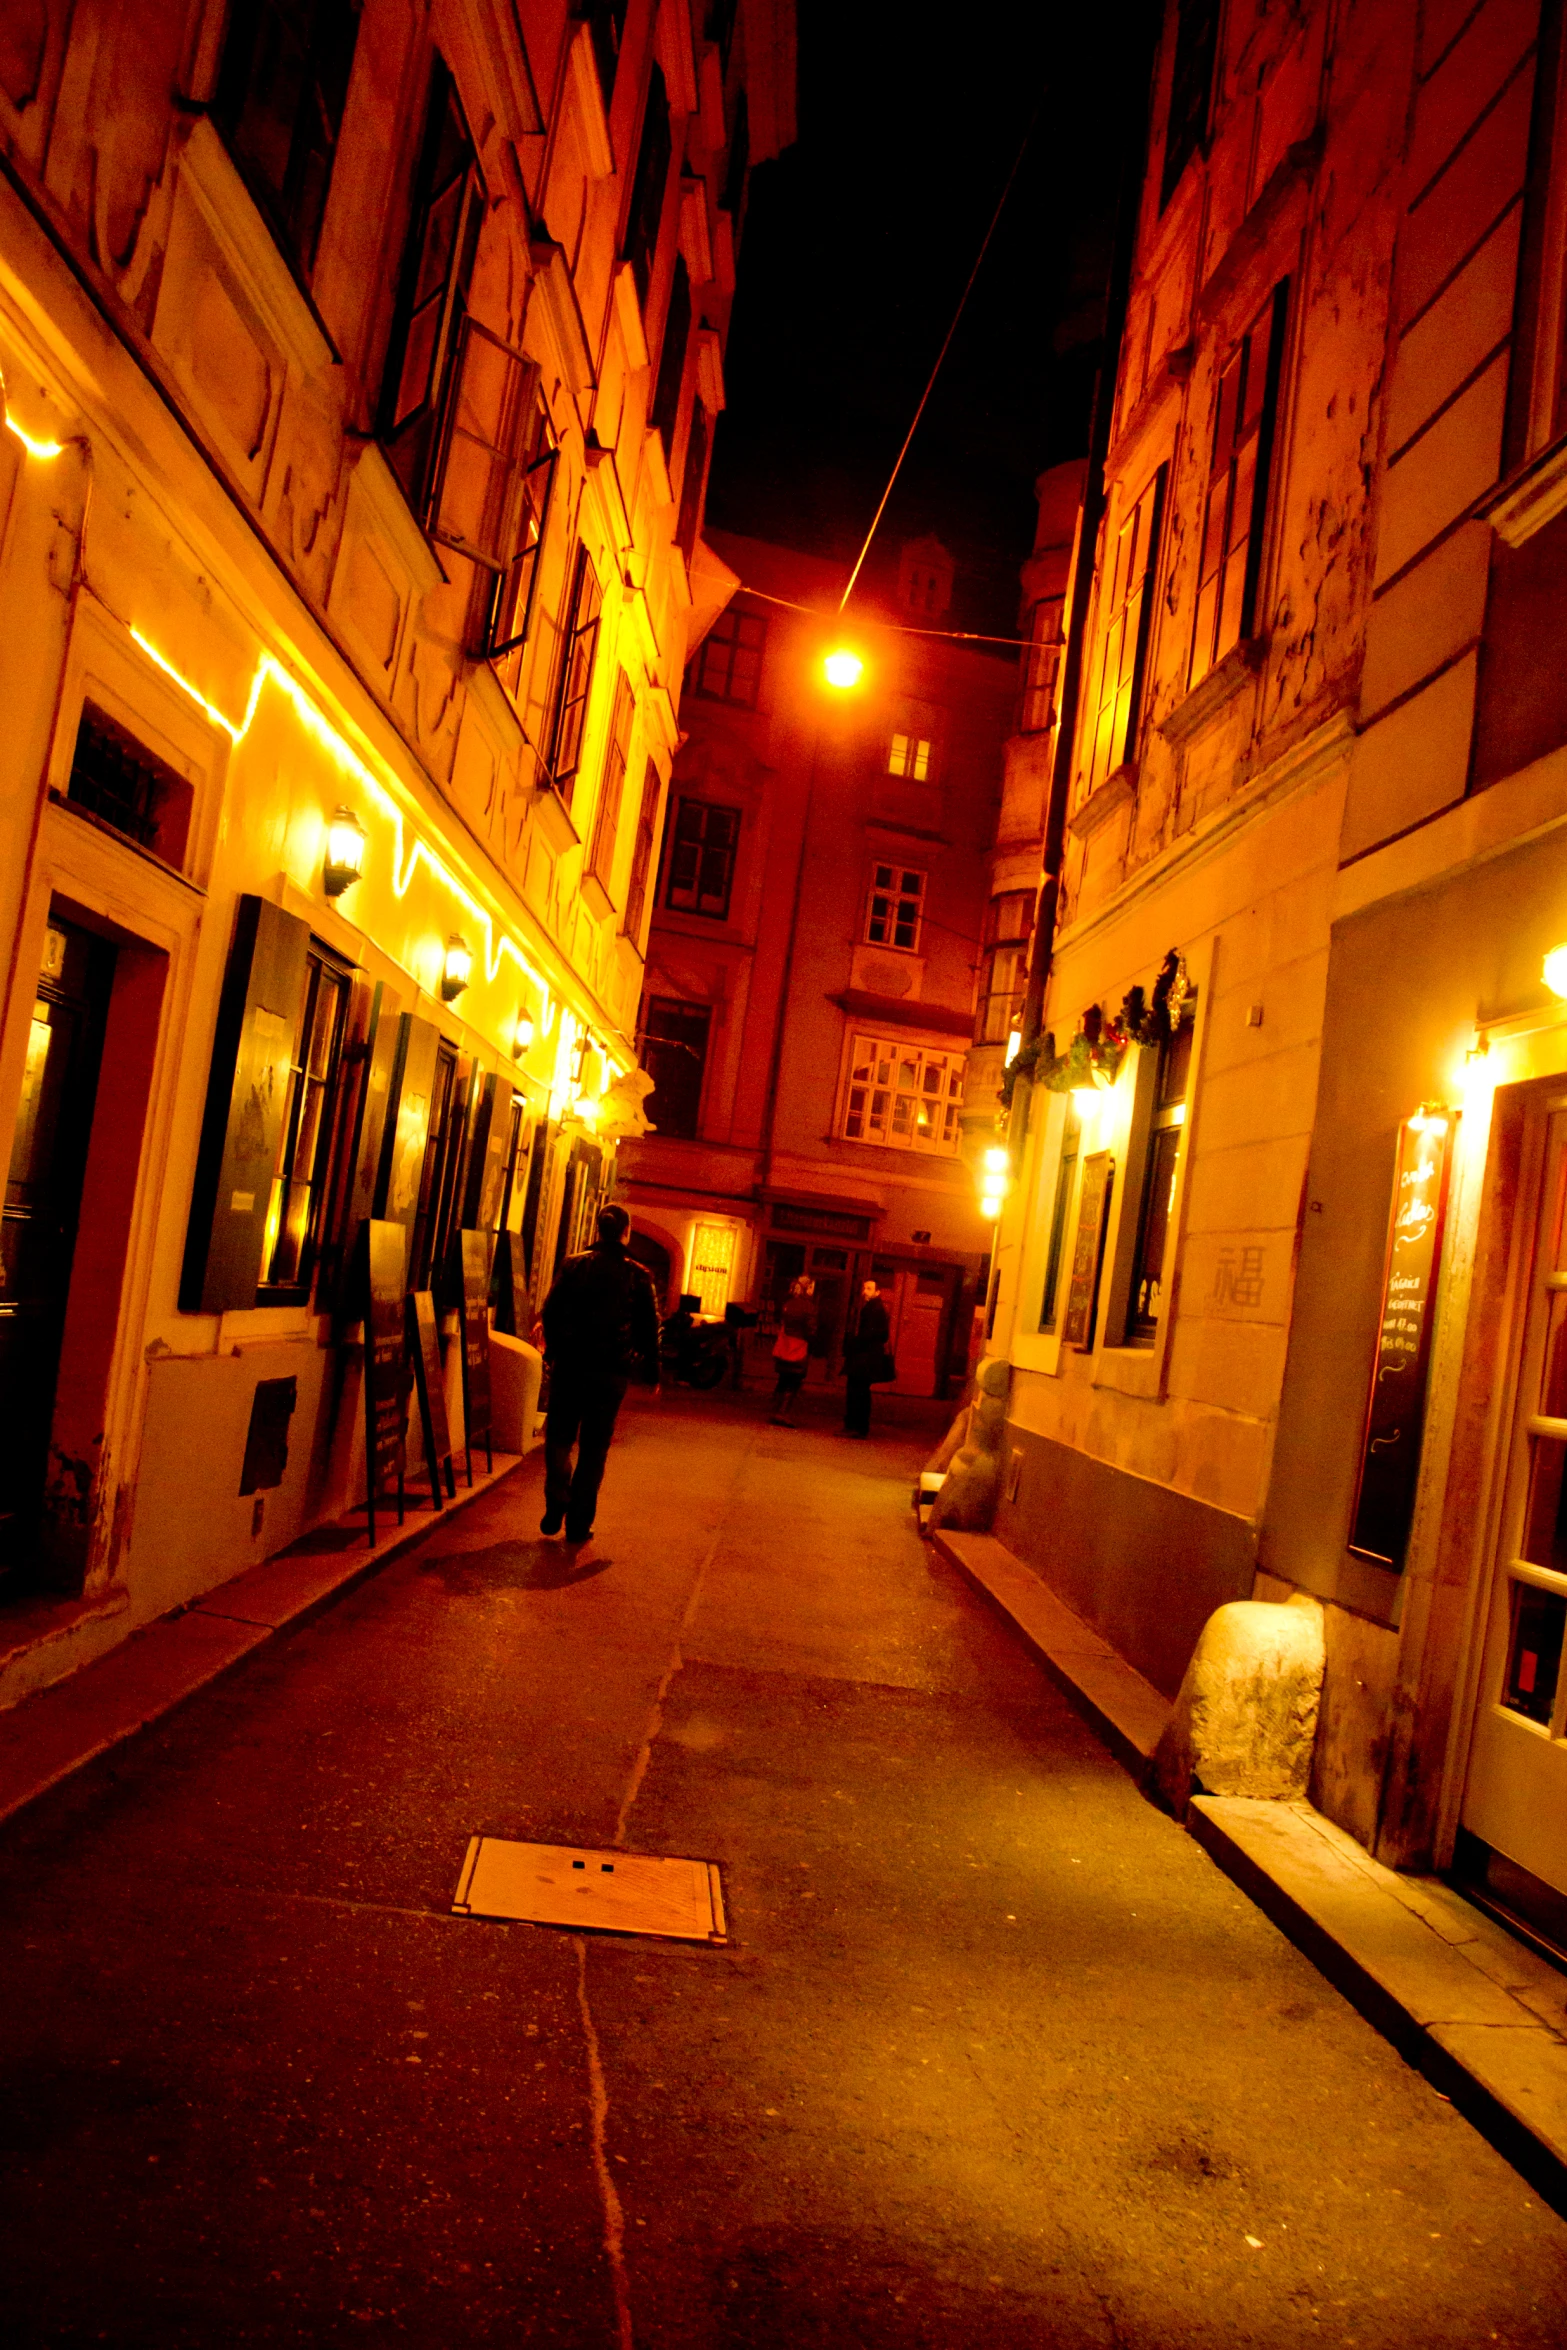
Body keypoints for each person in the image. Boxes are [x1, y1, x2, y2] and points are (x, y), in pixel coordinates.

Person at [538, 1202, 660, 1542]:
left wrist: (556, 1354)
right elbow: (649, 1328)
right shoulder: (638, 1275)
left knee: (560, 1437)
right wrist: (652, 1373)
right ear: (626, 1232)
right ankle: (578, 1523)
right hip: (610, 1374)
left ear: (597, 1228)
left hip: (570, 1368)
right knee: (594, 1448)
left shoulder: (574, 1266)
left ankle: (557, 1496)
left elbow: (551, 1312)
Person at [842, 1277, 891, 1438]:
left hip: (864, 1357)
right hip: (868, 1356)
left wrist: (855, 1342)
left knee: (857, 1391)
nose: (864, 1292)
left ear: (878, 1292)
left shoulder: (874, 1309)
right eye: (864, 1288)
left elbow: (875, 1334)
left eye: (869, 1289)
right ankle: (858, 1426)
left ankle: (856, 1426)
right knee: (861, 1391)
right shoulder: (874, 1308)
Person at [769, 1275, 816, 1426]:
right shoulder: (808, 1306)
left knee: (783, 1380)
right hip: (798, 1348)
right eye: (812, 1287)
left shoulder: (788, 1303)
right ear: (807, 1287)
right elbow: (811, 1330)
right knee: (793, 1382)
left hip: (785, 1346)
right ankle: (783, 1413)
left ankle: (775, 1410)